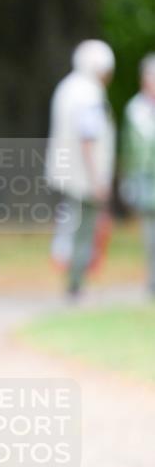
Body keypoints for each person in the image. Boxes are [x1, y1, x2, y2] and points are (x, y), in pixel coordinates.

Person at [45, 39, 116, 298]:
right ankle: (75, 283)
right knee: (83, 230)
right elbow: (89, 138)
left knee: (70, 224)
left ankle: (72, 280)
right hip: (84, 176)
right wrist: (98, 180)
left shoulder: (67, 87)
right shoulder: (89, 94)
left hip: (66, 172)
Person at [120, 54, 155, 296]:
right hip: (144, 180)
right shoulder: (135, 110)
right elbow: (128, 148)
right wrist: (127, 181)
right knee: (150, 234)